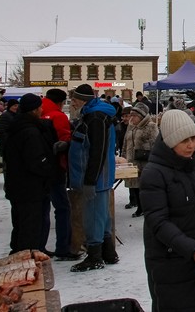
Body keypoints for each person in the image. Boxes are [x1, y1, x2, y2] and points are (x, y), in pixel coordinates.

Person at [140, 109, 195, 312]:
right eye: (184, 140)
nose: (191, 145)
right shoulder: (154, 173)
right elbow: (157, 222)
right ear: (170, 142)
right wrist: (192, 250)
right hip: (170, 261)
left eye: (193, 138)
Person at [68, 84, 118, 272]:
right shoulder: (94, 114)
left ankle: (94, 256)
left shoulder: (96, 117)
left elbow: (97, 151)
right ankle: (108, 253)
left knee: (93, 216)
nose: (72, 102)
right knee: (102, 215)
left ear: (83, 100)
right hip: (99, 175)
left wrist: (90, 180)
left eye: (74, 99)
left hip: (96, 176)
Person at [2, 93, 55, 253]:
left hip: (17, 185)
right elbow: (36, 161)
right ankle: (27, 262)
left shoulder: (16, 127)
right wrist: (49, 168)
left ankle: (19, 255)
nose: (41, 110)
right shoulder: (30, 131)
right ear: (33, 110)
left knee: (20, 225)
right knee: (29, 228)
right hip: (30, 187)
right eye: (39, 107)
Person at [41, 89, 79, 261]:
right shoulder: (58, 116)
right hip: (56, 168)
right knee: (62, 208)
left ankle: (39, 246)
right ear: (61, 102)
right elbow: (65, 139)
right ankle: (63, 247)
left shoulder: (37, 112)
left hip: (38, 170)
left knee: (42, 208)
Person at [123, 102, 158, 217]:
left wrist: (144, 150)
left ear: (141, 116)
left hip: (144, 162)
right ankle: (138, 205)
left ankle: (144, 207)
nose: (132, 118)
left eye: (134, 115)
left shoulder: (151, 126)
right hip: (132, 161)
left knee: (143, 186)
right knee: (135, 186)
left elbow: (155, 145)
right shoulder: (131, 126)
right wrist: (124, 155)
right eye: (131, 115)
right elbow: (126, 141)